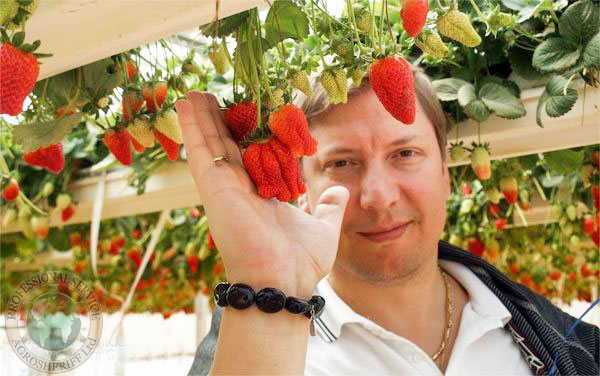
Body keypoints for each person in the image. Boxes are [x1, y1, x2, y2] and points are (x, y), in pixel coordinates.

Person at [176, 66, 599, 376]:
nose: (378, 196)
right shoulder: (257, 349)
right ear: (302, 189)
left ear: (446, 172)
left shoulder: (561, 341)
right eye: (341, 162)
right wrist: (269, 286)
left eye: (405, 154)